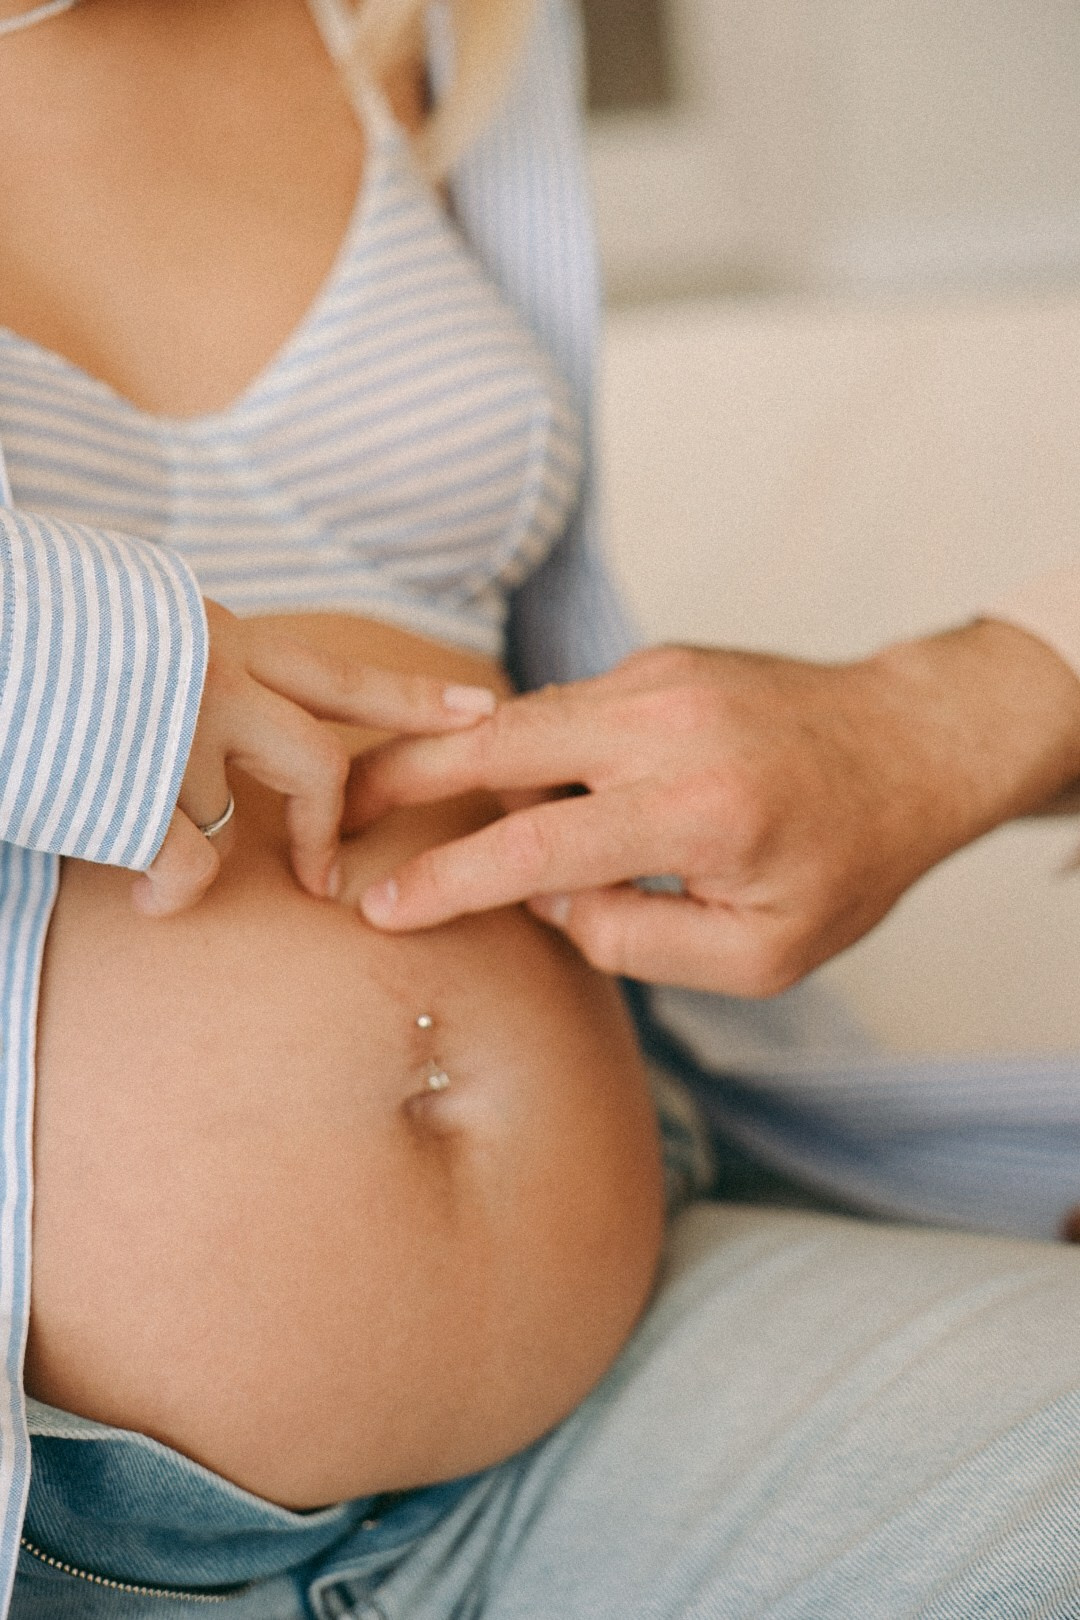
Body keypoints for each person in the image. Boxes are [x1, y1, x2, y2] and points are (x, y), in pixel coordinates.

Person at [3, 3, 1080, 1619]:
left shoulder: (418, 24)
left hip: (620, 1371)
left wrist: (968, 707)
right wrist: (95, 671)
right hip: (69, 1530)